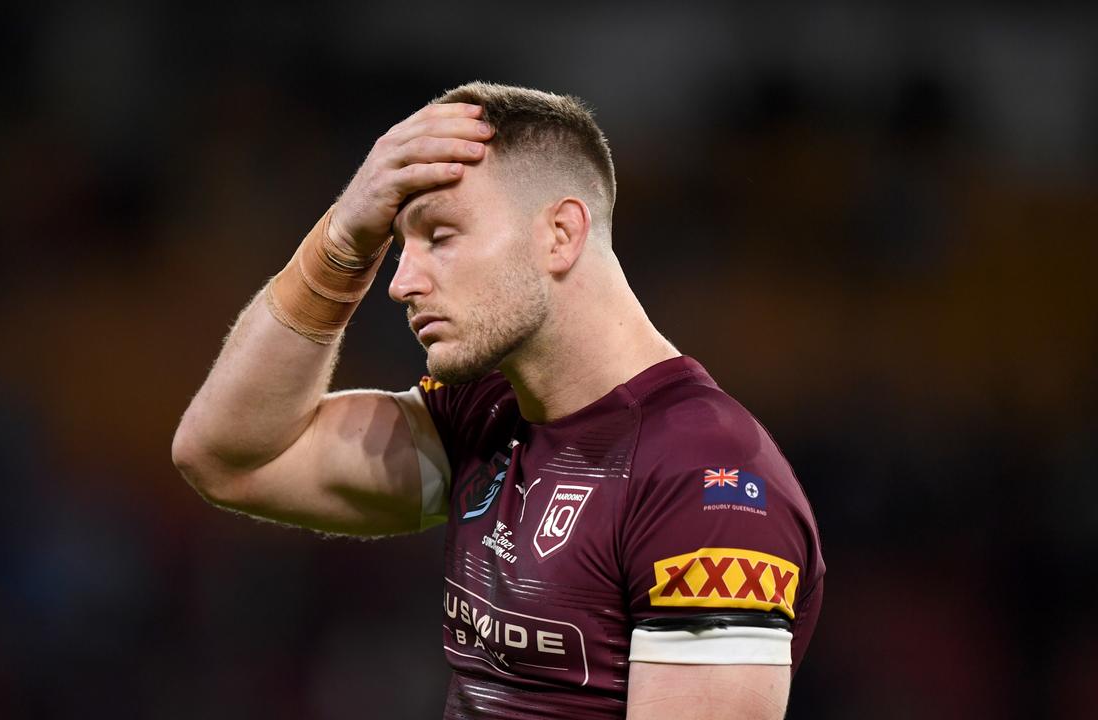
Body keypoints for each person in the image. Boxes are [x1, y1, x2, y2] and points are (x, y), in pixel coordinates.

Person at [172, 81, 825, 719]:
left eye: (441, 236)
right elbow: (229, 456)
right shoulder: (482, 417)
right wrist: (343, 241)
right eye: (397, 245)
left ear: (561, 233)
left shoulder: (707, 482)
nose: (400, 283)